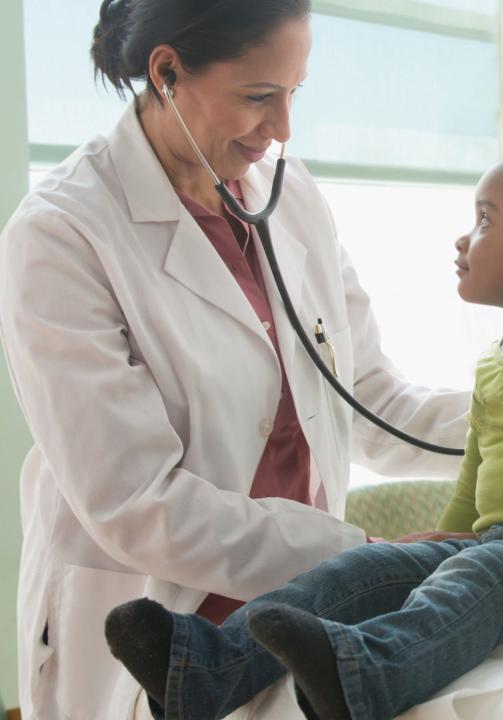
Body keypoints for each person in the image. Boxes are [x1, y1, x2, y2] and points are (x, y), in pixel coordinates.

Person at [103, 135, 503, 720]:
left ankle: (369, 674)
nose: (464, 238)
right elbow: (480, 468)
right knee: (365, 569)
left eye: (485, 221)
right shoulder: (497, 360)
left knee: (487, 574)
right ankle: (206, 669)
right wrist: (445, 538)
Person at [0, 2, 470, 717]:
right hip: (149, 624)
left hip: (290, 623)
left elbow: (374, 403)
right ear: (166, 72)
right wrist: (366, 556)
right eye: (258, 97)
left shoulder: (292, 196)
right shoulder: (63, 233)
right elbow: (137, 503)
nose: (283, 129)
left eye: (293, 94)